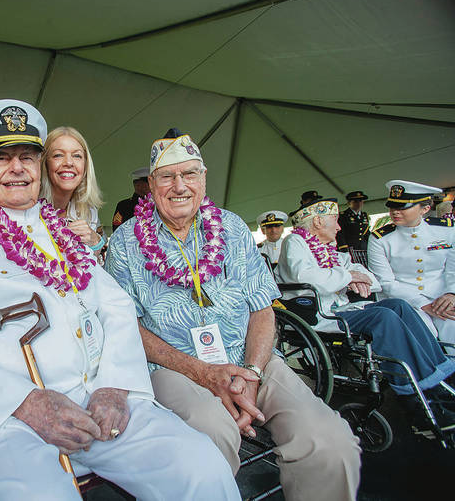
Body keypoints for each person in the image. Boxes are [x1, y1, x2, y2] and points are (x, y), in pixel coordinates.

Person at [0, 100, 239, 501]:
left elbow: (117, 308)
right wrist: (27, 403)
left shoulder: (67, 236)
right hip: (11, 422)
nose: (17, 168)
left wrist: (115, 387)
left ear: (39, 168)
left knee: (201, 468)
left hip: (101, 405)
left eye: (27, 157)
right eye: (1, 157)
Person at [105, 128, 360, 501]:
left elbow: (262, 307)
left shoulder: (234, 227)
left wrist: (254, 373)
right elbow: (128, 327)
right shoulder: (126, 241)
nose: (179, 186)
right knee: (211, 433)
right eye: (167, 176)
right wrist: (204, 373)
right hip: (176, 368)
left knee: (330, 442)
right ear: (152, 184)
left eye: (190, 173)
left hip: (250, 358)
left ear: (204, 178)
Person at [276, 197, 455, 428]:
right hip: (318, 314)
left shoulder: (327, 249)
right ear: (318, 222)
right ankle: (413, 399)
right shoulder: (295, 242)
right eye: (335, 221)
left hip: (339, 307)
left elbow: (367, 275)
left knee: (399, 305)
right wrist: (349, 277)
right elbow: (304, 276)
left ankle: (439, 376)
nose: (340, 227)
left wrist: (358, 278)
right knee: (383, 317)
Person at [367, 180, 454, 349]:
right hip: (406, 302)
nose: (395, 212)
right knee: (422, 334)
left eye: (403, 207)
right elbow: (386, 282)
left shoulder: (447, 230)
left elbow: (452, 268)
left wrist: (451, 293)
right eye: (392, 206)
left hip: (442, 297)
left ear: (425, 208)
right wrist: (423, 304)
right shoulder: (380, 239)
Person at [39, 126, 105, 252]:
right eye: (58, 155)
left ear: (85, 165)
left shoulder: (89, 212)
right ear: (45, 163)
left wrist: (95, 243)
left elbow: (93, 268)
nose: (69, 162)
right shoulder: (28, 209)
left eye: (77, 156)